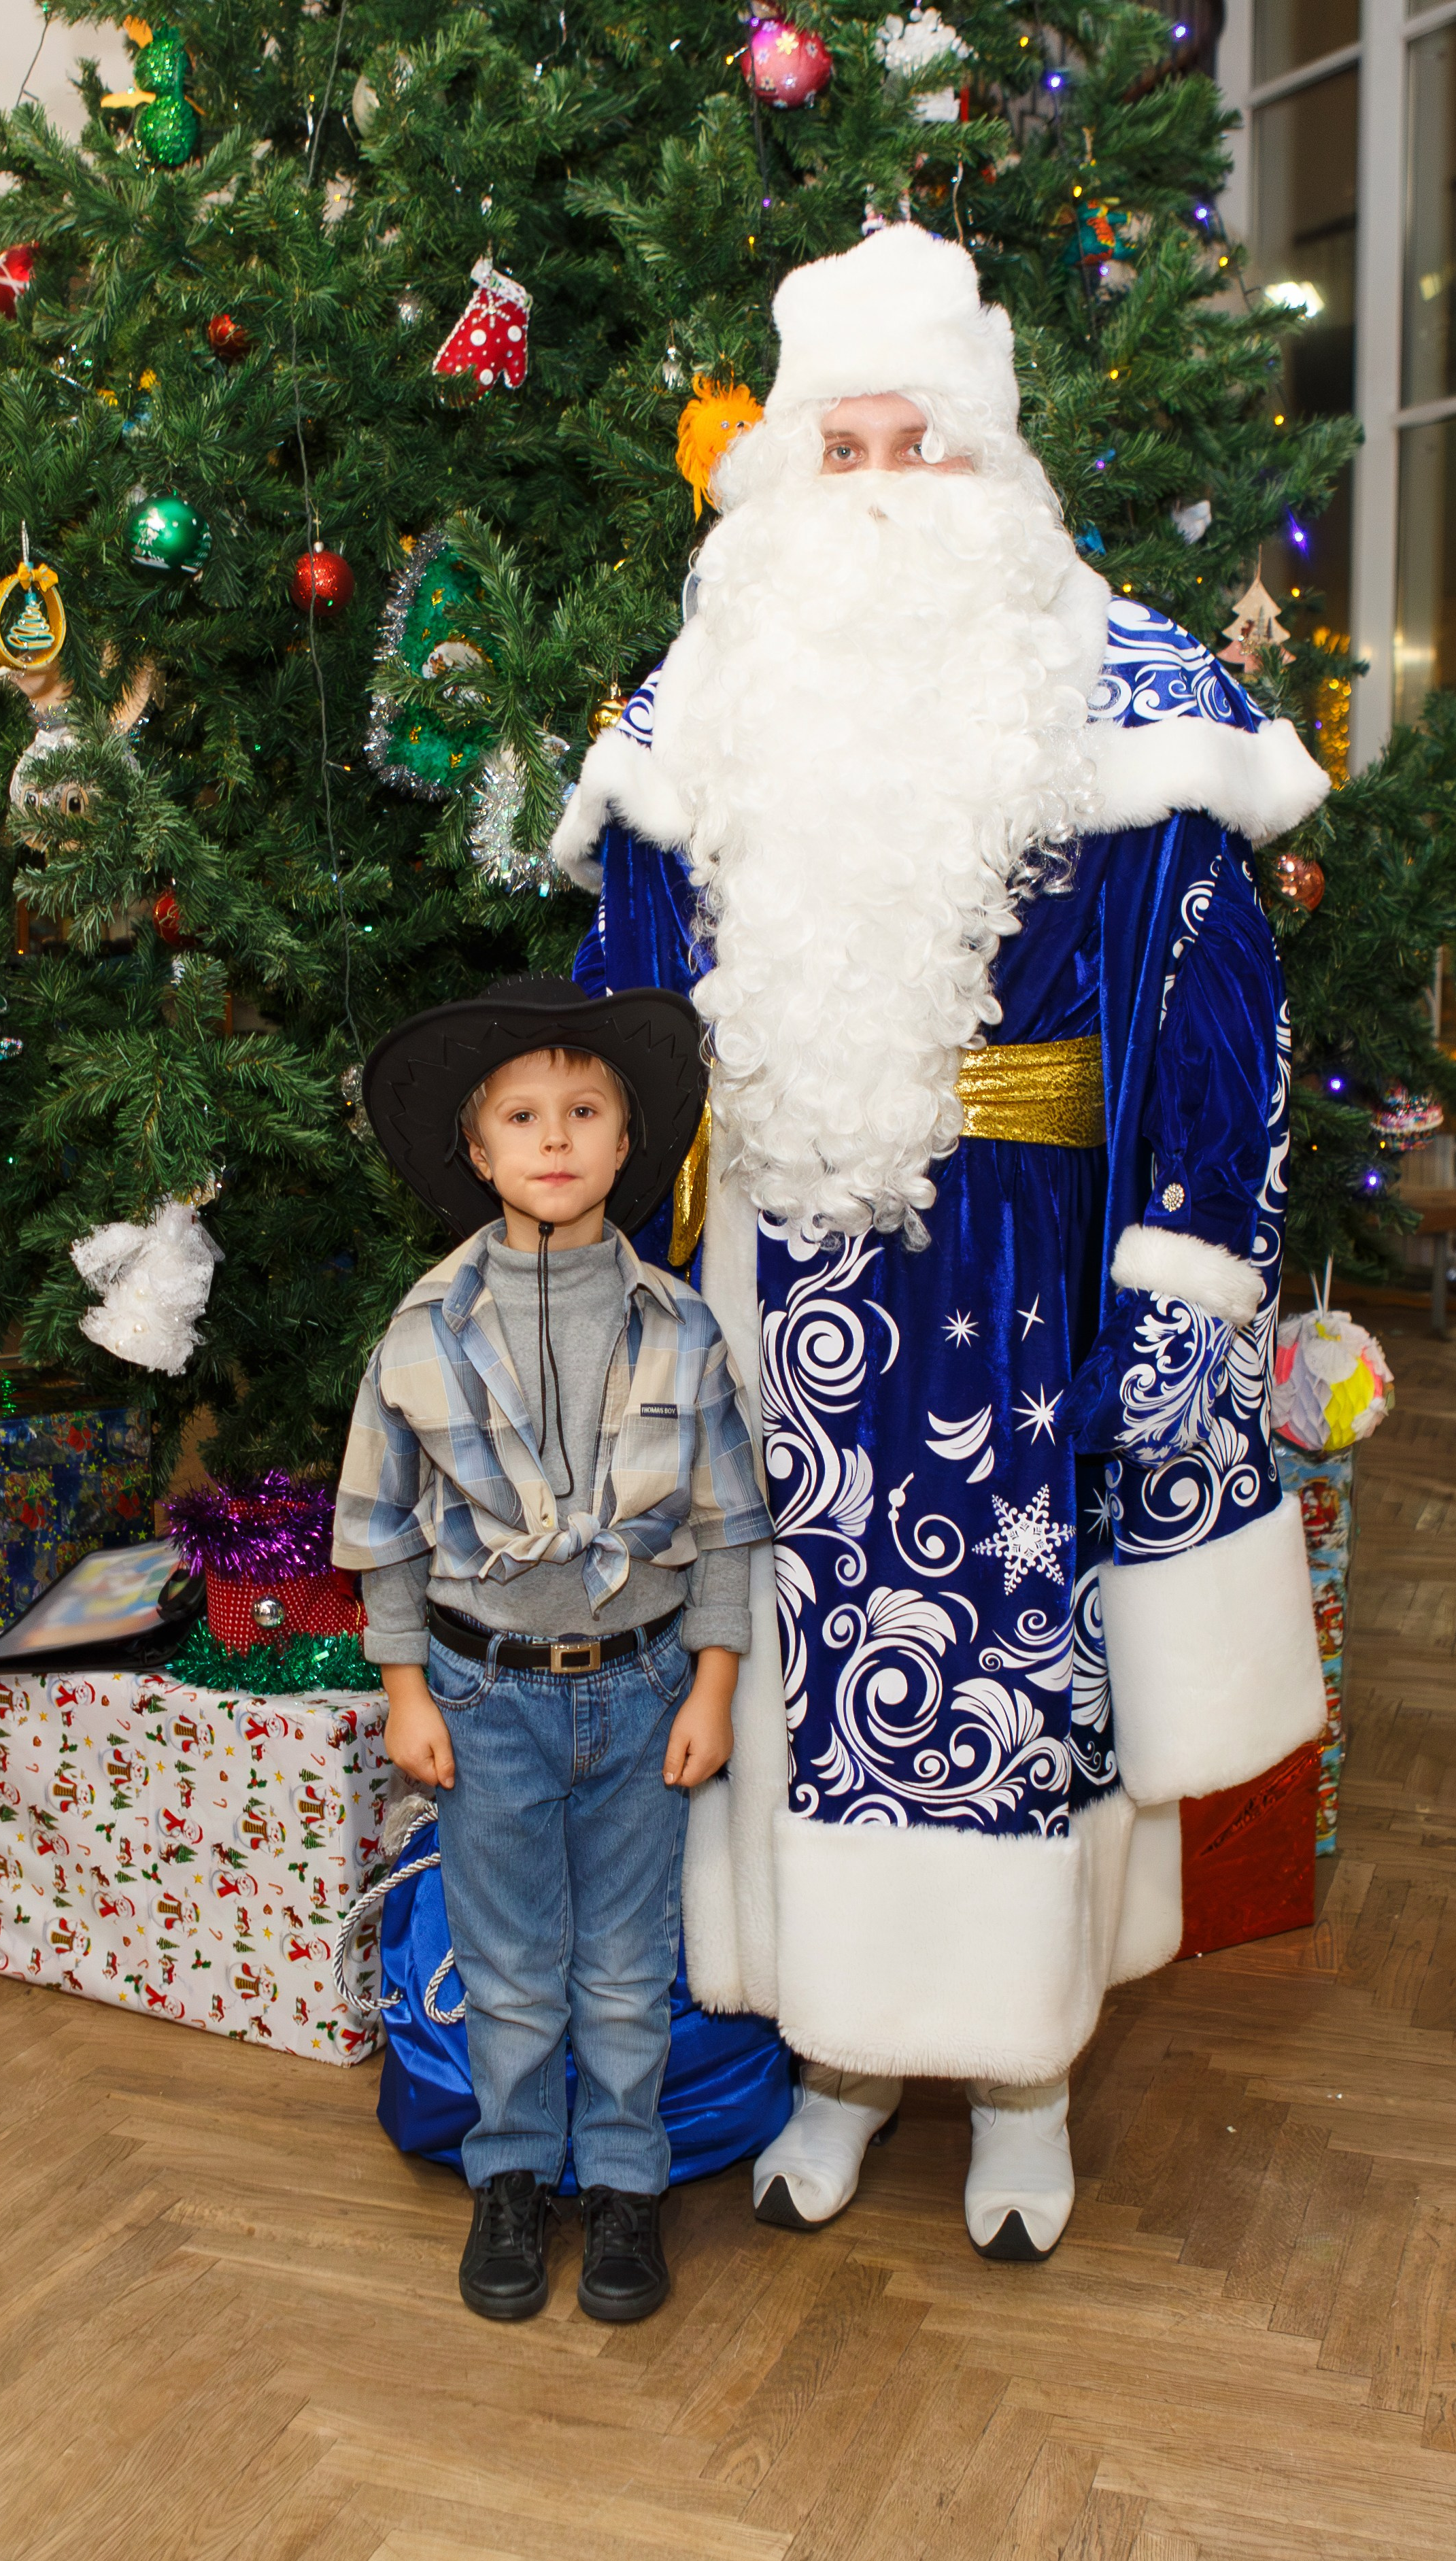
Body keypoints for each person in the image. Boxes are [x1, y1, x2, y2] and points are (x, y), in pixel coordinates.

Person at [552, 225, 1328, 2258]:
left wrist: (1177, 1280)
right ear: (786, 479)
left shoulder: (1134, 701)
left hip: (1018, 1290)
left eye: (925, 448)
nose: (883, 488)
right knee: (786, 1677)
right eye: (848, 448)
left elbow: (1212, 1006)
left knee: (1011, 1687)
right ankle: (833, 2060)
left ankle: (1022, 2083)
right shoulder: (696, 710)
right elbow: (619, 1009)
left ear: (997, 473)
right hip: (764, 1302)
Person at [333, 977, 773, 2322]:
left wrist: (711, 1684)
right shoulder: (421, 1336)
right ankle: (513, 2178)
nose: (555, 1138)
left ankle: (629, 2187)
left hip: (642, 1692)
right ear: (476, 1153)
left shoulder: (680, 1330)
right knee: (513, 1965)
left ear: (624, 1139)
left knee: (628, 1963)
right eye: (522, 1116)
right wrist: (405, 1687)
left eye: (583, 1110)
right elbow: (381, 1531)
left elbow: (726, 1529)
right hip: (481, 1697)